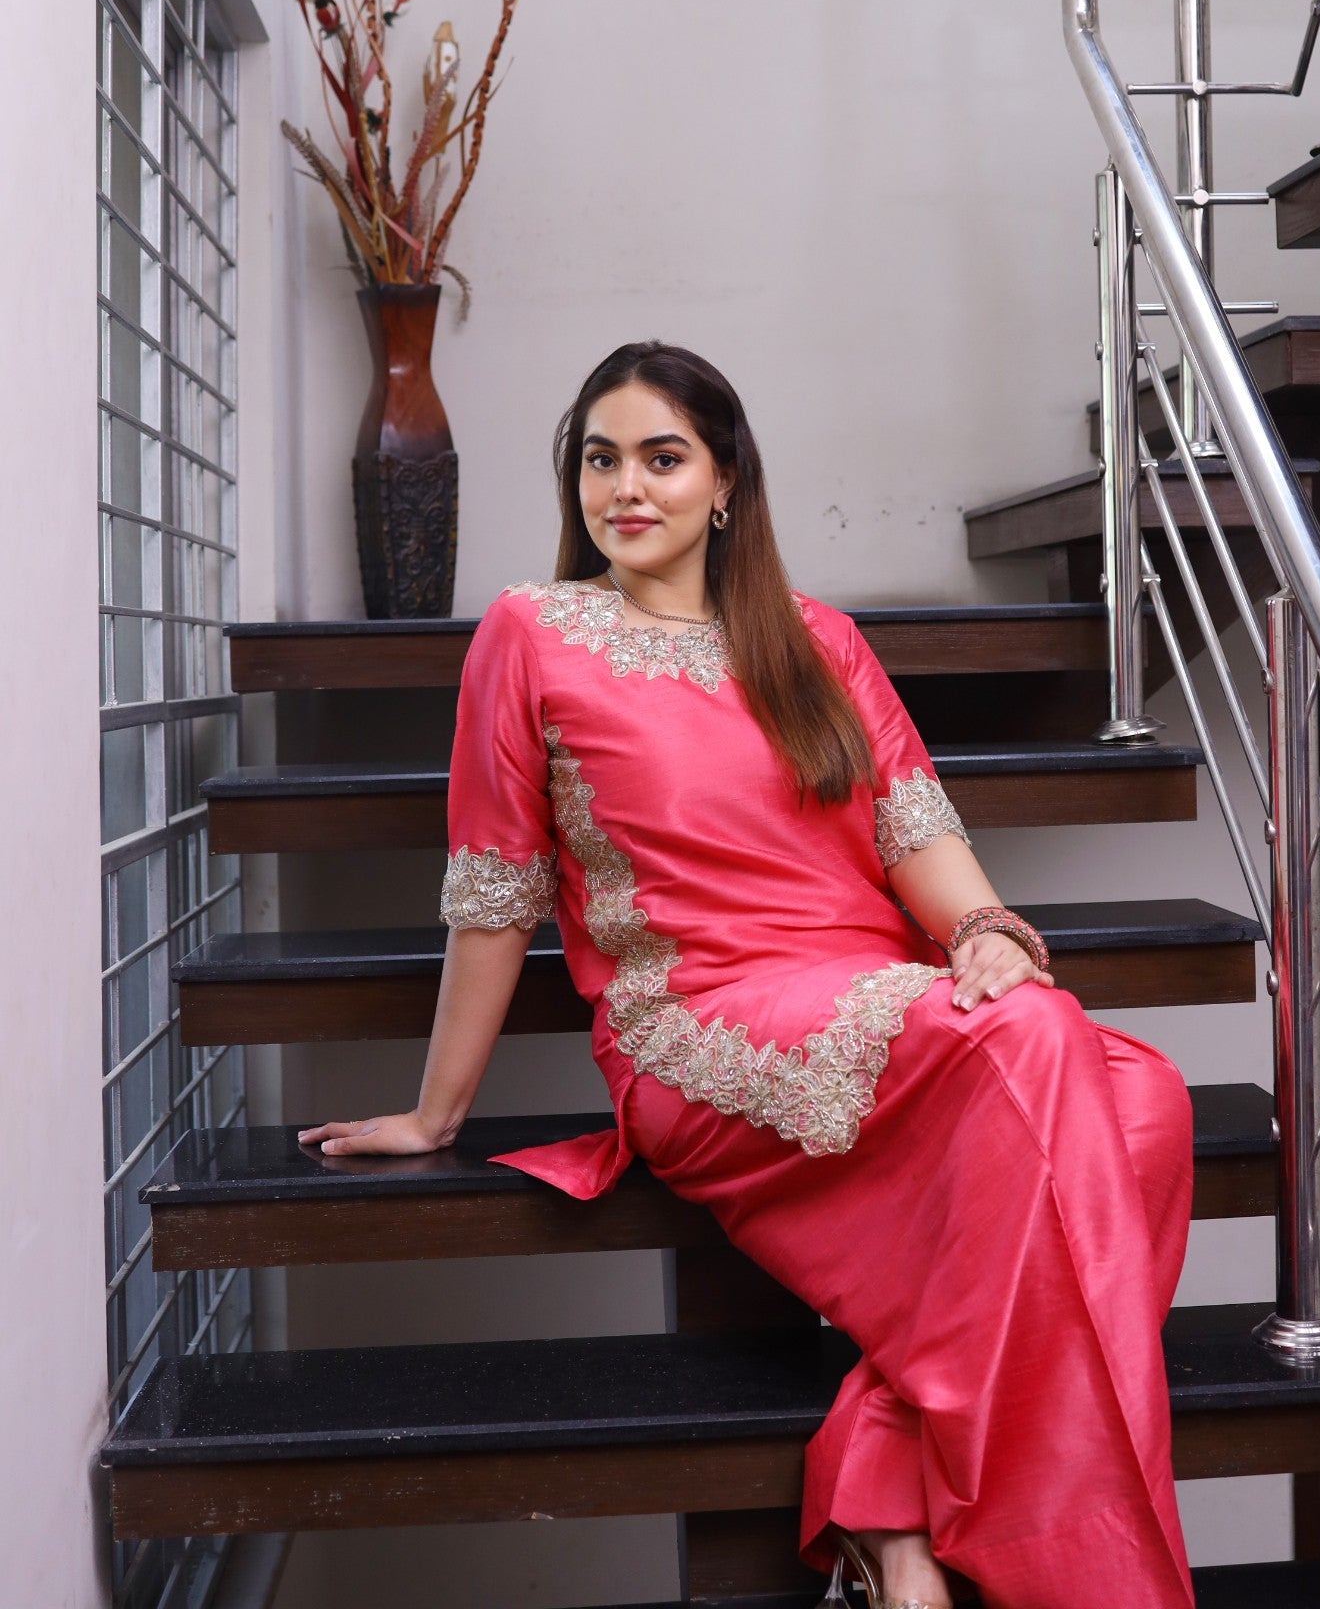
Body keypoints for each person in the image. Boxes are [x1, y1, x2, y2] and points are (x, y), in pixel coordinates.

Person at [299, 340, 1195, 1609]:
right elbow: (494, 890)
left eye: (663, 457)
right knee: (1043, 1046)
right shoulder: (532, 633)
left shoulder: (815, 639)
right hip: (696, 1026)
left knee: (1146, 1099)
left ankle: (886, 1499)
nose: (627, 486)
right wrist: (435, 1111)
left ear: (724, 483)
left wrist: (986, 927)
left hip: (881, 1004)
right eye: (599, 458)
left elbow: (913, 830)